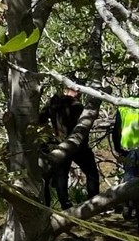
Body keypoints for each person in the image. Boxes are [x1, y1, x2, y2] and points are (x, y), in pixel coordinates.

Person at [39, 78, 100, 209]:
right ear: (71, 89)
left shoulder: (52, 103)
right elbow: (84, 125)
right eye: (78, 90)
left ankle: (65, 204)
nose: (80, 93)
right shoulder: (76, 106)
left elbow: (41, 119)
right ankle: (94, 202)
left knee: (62, 175)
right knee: (91, 173)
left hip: (60, 144)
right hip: (78, 145)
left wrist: (51, 134)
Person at [110, 99, 139, 219]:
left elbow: (116, 128)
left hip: (128, 147)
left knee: (129, 178)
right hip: (130, 148)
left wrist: (118, 149)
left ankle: (127, 206)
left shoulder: (124, 104)